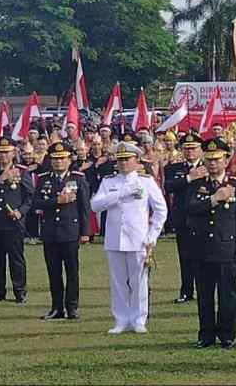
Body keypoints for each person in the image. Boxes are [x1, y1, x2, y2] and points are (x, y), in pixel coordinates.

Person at [91, 142, 168, 334]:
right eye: (120, 159)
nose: (124, 163)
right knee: (118, 282)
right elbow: (95, 205)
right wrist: (120, 194)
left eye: (128, 159)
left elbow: (161, 210)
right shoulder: (109, 182)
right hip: (115, 238)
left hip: (138, 239)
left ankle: (139, 319)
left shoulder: (146, 181)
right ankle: (121, 319)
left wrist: (152, 235)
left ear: (136, 160)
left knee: (139, 282)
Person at [186, 138, 236, 349]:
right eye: (209, 159)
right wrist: (214, 199)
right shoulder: (197, 185)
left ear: (225, 160)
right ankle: (206, 335)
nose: (213, 163)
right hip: (201, 247)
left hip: (227, 247)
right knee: (204, 295)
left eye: (217, 159)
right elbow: (190, 208)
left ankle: (227, 334)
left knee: (227, 294)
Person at [32, 142, 92, 320]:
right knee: (54, 272)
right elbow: (36, 203)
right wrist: (57, 201)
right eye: (55, 159)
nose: (58, 162)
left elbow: (85, 208)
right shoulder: (43, 178)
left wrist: (85, 232)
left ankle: (72, 307)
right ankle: (57, 307)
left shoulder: (78, 178)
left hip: (70, 231)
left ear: (69, 159)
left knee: (72, 272)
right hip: (50, 232)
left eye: (62, 159)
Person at [0, 136, 34, 304]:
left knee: (16, 258)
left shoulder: (22, 171)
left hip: (13, 222)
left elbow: (30, 197)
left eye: (7, 152)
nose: (3, 156)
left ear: (13, 153)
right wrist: (1, 179)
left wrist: (21, 212)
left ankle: (20, 290)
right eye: (1, 153)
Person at [163, 133, 207, 304]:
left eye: (194, 148)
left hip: (204, 217)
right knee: (185, 256)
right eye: (187, 148)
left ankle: (204, 289)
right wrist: (189, 178)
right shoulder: (174, 168)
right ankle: (186, 291)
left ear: (200, 150)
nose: (190, 152)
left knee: (204, 256)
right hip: (184, 217)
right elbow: (169, 186)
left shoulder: (207, 165)